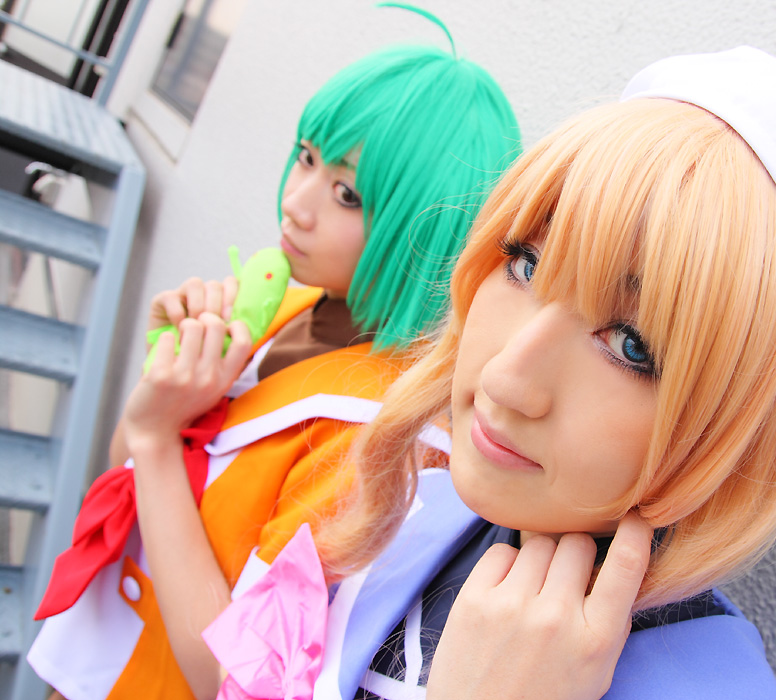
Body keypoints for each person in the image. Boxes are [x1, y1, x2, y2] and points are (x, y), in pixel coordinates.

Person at [202, 46, 776, 699]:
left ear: (750, 444)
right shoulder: (416, 503)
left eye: (632, 346)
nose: (505, 378)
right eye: (525, 264)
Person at [26, 7, 521, 699]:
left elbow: (237, 679)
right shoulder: (287, 302)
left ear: (424, 231)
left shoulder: (382, 443)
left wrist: (158, 436)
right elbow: (125, 478)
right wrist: (168, 381)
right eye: (307, 157)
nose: (297, 203)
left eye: (347, 194)